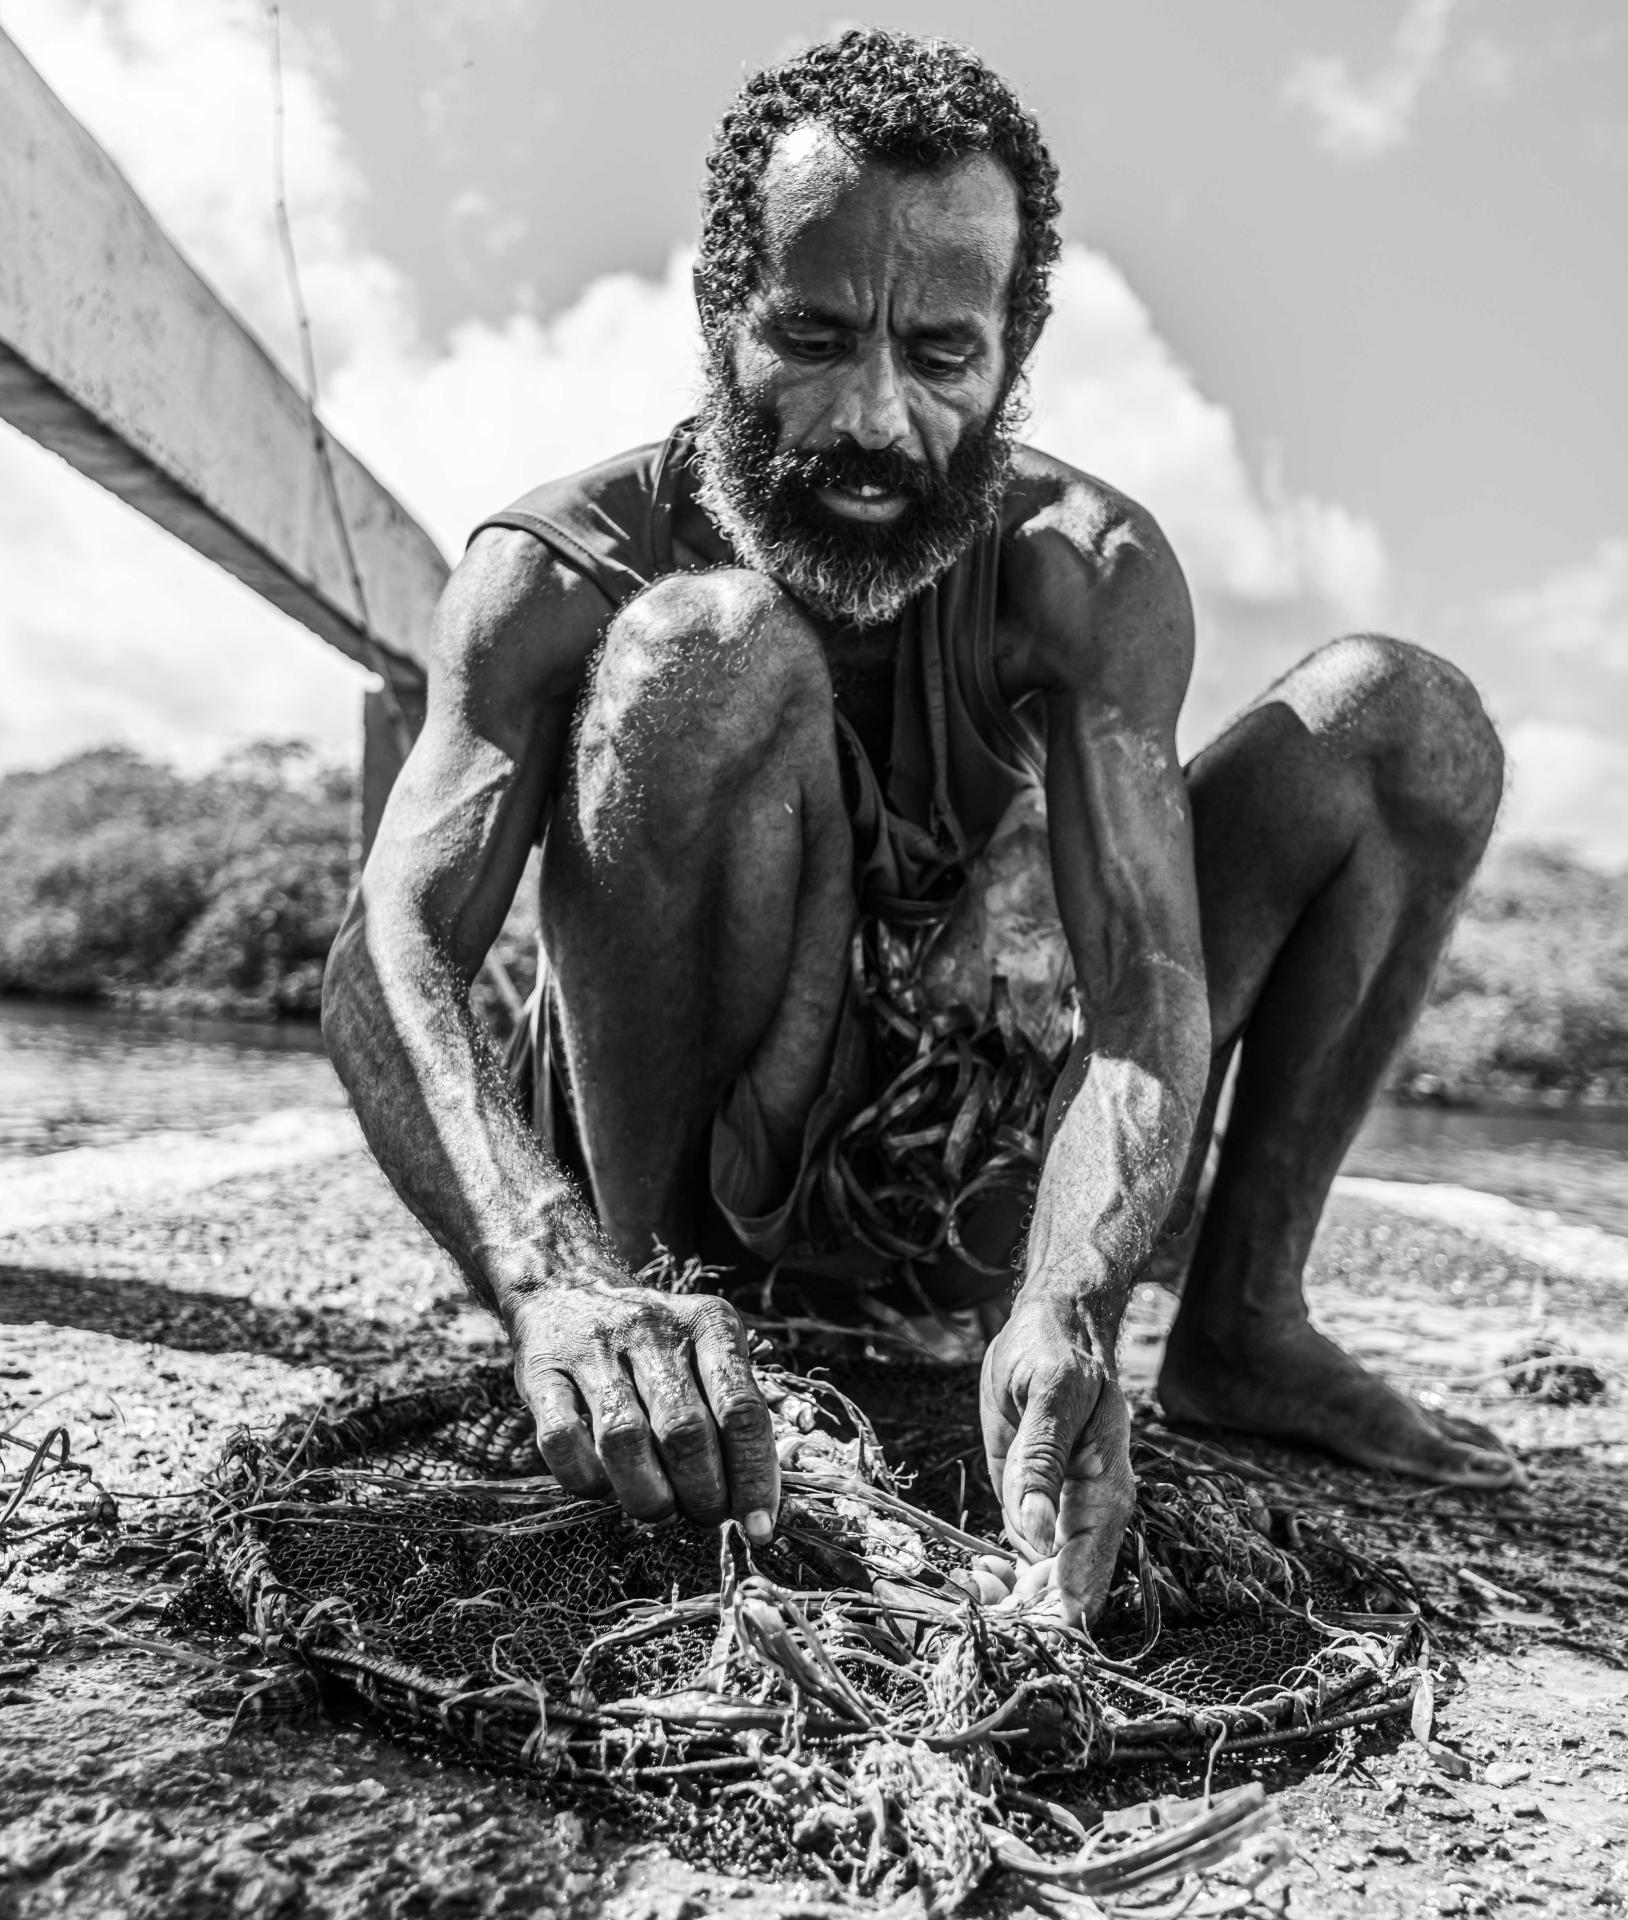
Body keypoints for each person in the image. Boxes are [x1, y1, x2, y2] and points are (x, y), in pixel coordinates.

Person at [322, 29, 1518, 1627]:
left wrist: (1076, 1303)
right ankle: (661, 1325)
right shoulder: (552, 574)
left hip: (967, 1139)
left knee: (1402, 720)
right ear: (719, 315)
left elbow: (1150, 979)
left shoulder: (1083, 570)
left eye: (942, 358)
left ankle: (1237, 1325)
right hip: (688, 1174)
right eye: (815, 335)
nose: (877, 420)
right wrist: (550, 1278)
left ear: (1011, 351)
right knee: (709, 644)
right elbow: (383, 947)